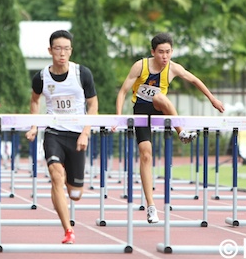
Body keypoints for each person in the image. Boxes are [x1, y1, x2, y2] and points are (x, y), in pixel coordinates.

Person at [116, 32, 224, 223]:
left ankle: (181, 132)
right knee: (145, 154)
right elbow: (123, 91)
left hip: (160, 108)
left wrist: (212, 99)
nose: (165, 57)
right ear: (153, 52)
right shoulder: (140, 66)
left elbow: (195, 80)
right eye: (161, 52)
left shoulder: (173, 68)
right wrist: (118, 118)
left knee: (159, 97)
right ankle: (151, 206)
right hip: (140, 110)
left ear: (172, 52)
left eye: (168, 52)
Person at [25, 30, 98, 244]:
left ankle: (69, 186)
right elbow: (34, 100)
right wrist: (34, 125)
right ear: (50, 50)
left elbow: (93, 104)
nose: (62, 53)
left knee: (75, 194)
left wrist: (86, 132)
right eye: (58, 48)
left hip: (77, 135)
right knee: (56, 176)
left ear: (71, 50)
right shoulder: (41, 77)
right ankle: (68, 230)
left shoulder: (82, 73)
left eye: (66, 49)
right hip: (53, 133)